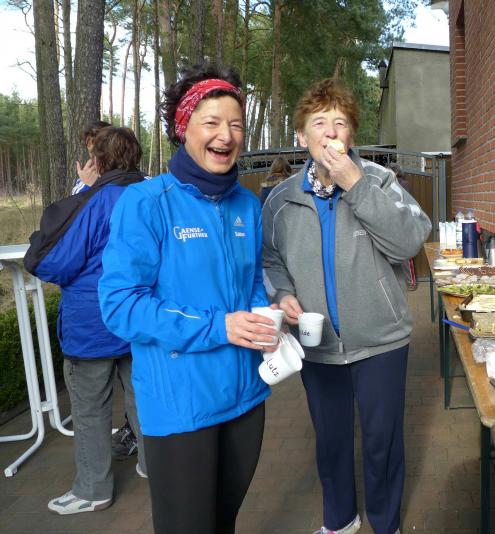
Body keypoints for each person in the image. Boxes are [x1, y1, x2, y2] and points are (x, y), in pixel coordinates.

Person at [98, 63, 279, 534]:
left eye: (236, 124)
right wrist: (220, 326)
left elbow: (250, 283)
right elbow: (120, 305)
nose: (226, 135)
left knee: (223, 522)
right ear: (184, 129)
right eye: (211, 122)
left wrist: (268, 315)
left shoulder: (247, 205)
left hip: (245, 398)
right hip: (181, 405)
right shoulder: (146, 203)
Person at [263, 78, 431, 534]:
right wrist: (281, 293)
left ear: (351, 134)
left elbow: (410, 242)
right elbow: (270, 260)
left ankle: (386, 523)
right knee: (331, 441)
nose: (331, 132)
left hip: (381, 340)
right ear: (302, 137)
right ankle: (340, 520)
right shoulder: (281, 200)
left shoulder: (379, 180)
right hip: (317, 346)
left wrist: (355, 184)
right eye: (320, 123)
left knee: (382, 442)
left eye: (340, 122)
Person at [24, 127, 148, 515]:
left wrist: (82, 191)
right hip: (141, 317)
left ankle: (93, 489)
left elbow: (51, 262)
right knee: (142, 396)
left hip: (93, 323)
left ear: (99, 161)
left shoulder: (91, 203)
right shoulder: (152, 197)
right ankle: (155, 465)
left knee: (91, 406)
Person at [388, 162, 418, 291]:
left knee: (406, 255)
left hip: (403, 222)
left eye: (389, 170)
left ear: (396, 172)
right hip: (390, 223)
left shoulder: (403, 184)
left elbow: (405, 203)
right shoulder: (387, 183)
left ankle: (411, 283)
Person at [72, 120, 112, 195]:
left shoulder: (124, 177)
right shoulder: (86, 178)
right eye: (92, 152)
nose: (96, 157)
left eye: (100, 151)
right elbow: (75, 201)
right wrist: (86, 185)